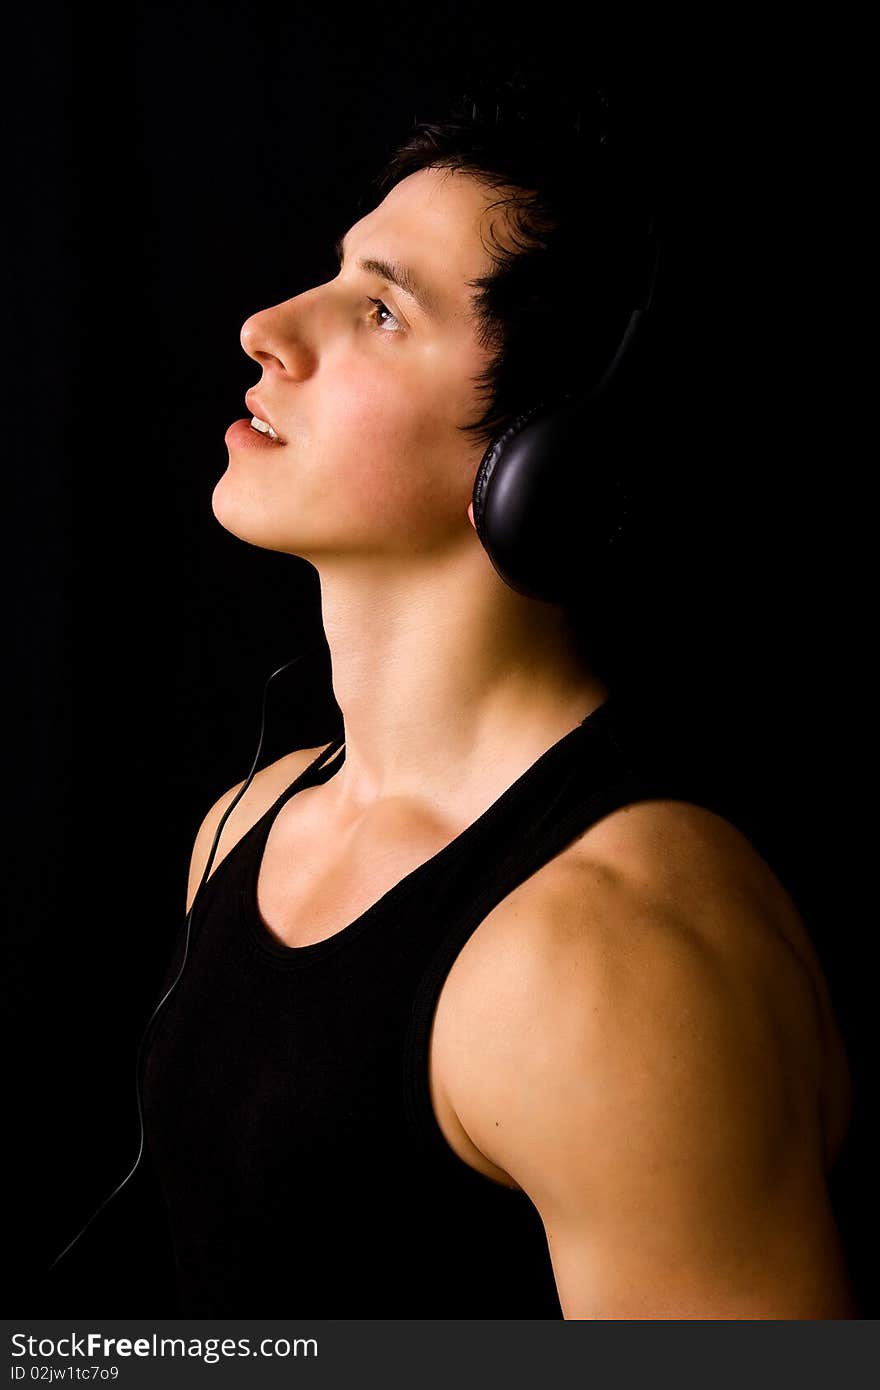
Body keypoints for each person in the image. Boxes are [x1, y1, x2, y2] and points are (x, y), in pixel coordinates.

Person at [141, 75, 857, 1318]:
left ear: (545, 460)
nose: (267, 325)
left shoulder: (607, 959)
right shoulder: (242, 828)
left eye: (379, 311)